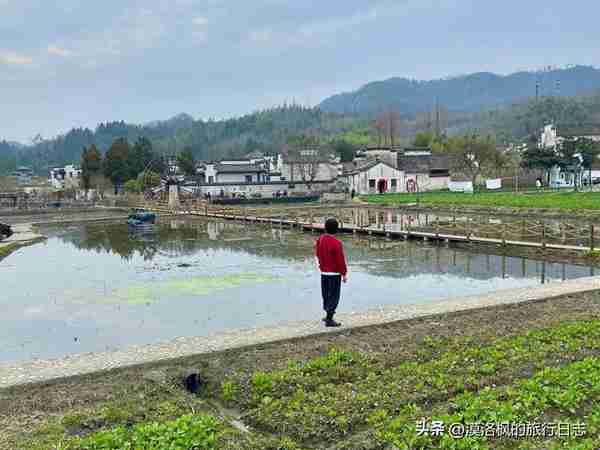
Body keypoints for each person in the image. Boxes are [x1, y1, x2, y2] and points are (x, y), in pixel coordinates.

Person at [315, 218, 348, 327]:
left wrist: (320, 266)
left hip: (323, 272)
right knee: (334, 296)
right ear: (336, 230)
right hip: (334, 274)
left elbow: (317, 254)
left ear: (325, 228)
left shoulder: (320, 239)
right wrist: (344, 273)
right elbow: (340, 260)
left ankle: (327, 315)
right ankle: (329, 319)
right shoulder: (337, 243)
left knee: (326, 294)